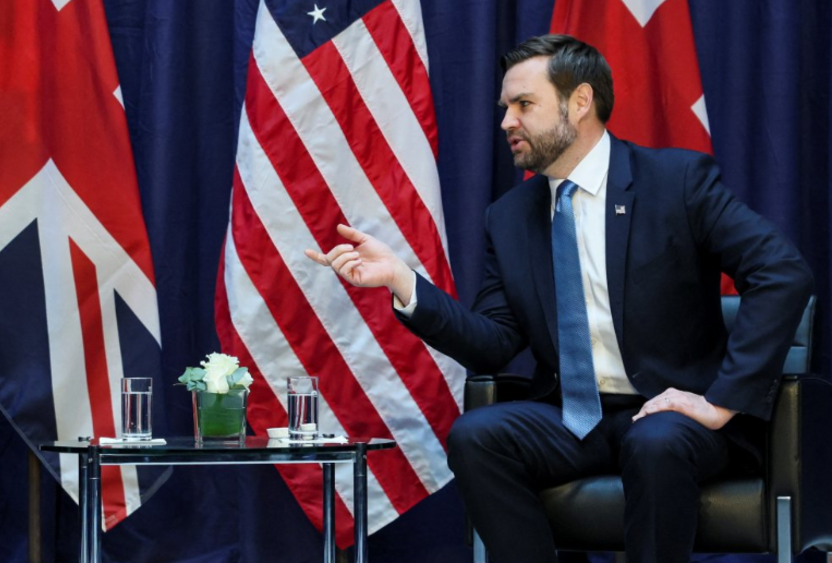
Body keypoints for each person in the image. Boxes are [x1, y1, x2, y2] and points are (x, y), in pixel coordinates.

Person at [306, 35, 813, 563]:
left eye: (524, 105)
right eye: (505, 107)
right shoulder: (509, 217)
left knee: (655, 443)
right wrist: (403, 281)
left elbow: (781, 273)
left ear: (580, 102)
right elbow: (493, 344)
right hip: (575, 419)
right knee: (477, 435)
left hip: (674, 416)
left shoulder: (677, 181)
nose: (506, 122)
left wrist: (719, 402)